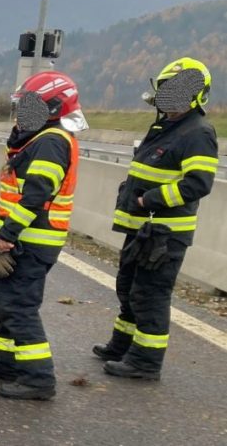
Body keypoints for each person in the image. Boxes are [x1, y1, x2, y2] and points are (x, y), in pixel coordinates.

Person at [93, 57, 218, 381]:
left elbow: (197, 184)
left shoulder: (198, 132)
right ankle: (122, 345)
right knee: (128, 288)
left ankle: (145, 362)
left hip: (165, 234)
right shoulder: (166, 127)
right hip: (143, 230)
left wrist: (150, 199)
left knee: (150, 295)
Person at [0, 71, 87, 401]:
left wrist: (7, 235)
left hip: (34, 239)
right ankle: (6, 362)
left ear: (52, 107)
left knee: (18, 305)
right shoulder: (41, 138)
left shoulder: (52, 142)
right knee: (5, 301)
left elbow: (36, 194)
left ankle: (38, 378)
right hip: (28, 236)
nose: (22, 113)